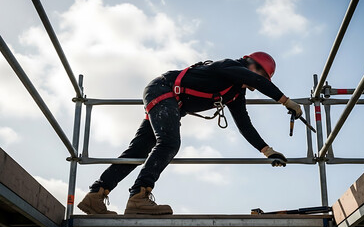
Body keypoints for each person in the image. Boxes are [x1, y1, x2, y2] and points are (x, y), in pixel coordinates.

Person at [77, 52, 303, 215]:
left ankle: (96, 195)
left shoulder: (235, 94)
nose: (259, 82)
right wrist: (285, 101)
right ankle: (139, 195)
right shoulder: (230, 65)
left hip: (167, 102)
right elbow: (254, 80)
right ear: (250, 64)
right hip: (163, 91)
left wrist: (267, 151)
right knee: (169, 143)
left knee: (138, 150)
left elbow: (244, 124)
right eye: (261, 76)